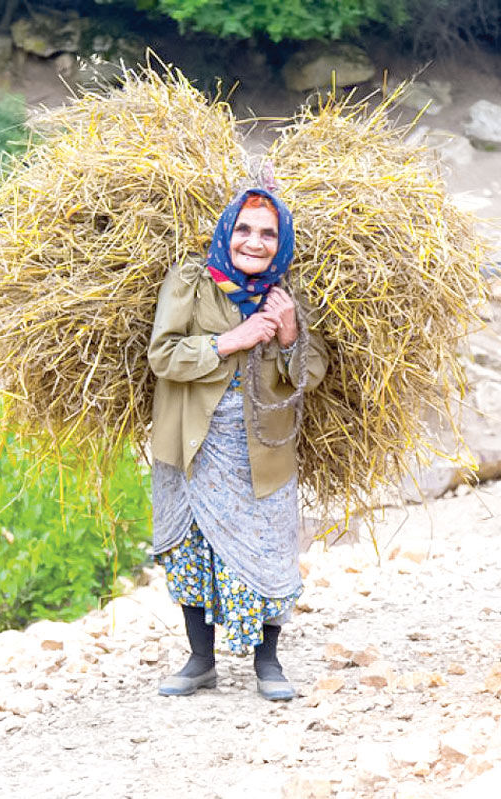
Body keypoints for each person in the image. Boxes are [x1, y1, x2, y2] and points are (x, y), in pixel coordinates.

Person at [147, 186, 328, 700]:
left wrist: (290, 334)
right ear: (227, 231)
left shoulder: (287, 295)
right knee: (192, 549)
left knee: (269, 550)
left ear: (282, 241)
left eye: (268, 233)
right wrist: (234, 339)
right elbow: (163, 356)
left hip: (262, 451)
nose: (254, 241)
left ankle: (267, 663)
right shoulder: (191, 281)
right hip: (190, 445)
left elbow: (311, 374)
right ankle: (200, 660)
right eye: (244, 229)